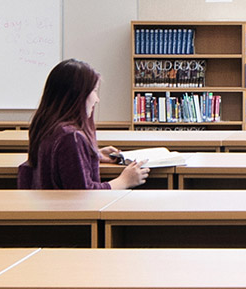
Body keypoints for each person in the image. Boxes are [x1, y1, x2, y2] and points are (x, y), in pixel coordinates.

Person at [17, 59, 148, 191]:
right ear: (77, 95)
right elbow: (83, 194)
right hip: (67, 210)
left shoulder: (47, 126)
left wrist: (93, 155)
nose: (97, 99)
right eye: (94, 91)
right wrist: (123, 181)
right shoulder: (71, 137)